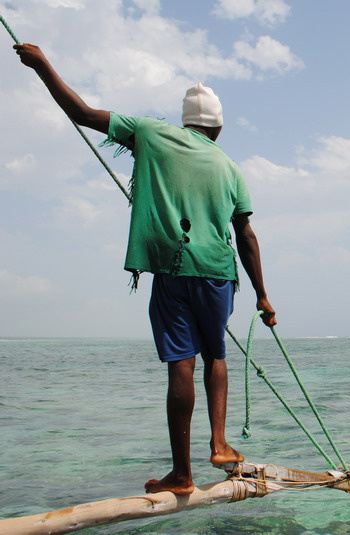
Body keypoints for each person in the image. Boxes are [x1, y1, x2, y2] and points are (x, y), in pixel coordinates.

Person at [14, 43, 277, 495]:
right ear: (218, 127)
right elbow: (246, 236)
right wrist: (264, 297)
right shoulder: (230, 167)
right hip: (219, 272)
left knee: (181, 364)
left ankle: (183, 474)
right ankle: (218, 443)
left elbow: (81, 112)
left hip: (172, 270)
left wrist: (42, 65)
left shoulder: (152, 133)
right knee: (217, 356)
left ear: (186, 122)